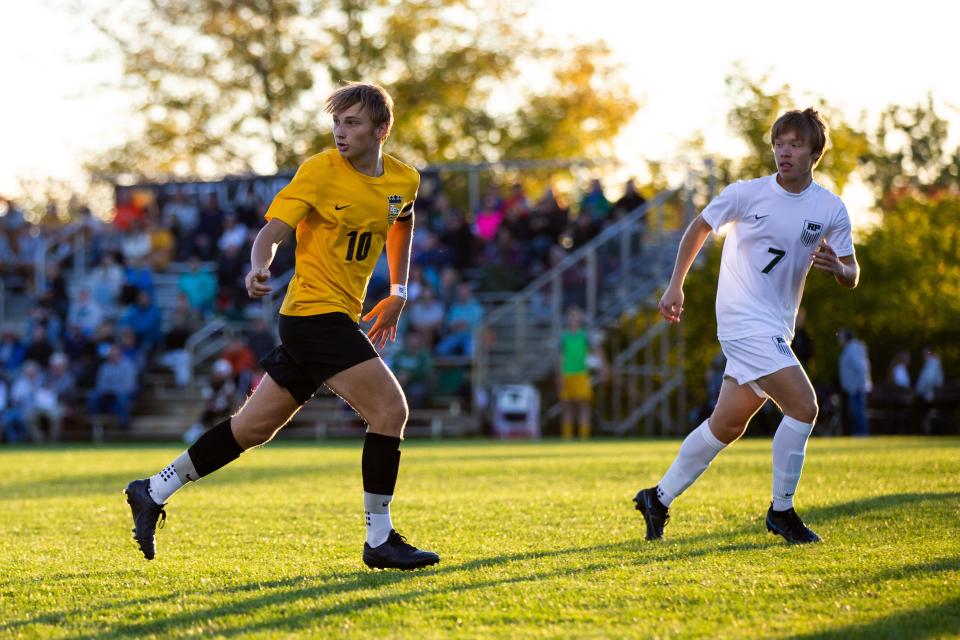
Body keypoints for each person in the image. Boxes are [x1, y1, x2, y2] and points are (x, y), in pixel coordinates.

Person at [123, 82, 439, 570]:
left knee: (250, 429)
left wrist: (398, 292)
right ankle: (379, 540)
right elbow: (272, 232)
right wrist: (258, 264)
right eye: (336, 121)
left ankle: (153, 489)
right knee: (390, 411)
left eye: (351, 122)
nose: (340, 131)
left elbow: (401, 221)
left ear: (382, 129)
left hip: (331, 317)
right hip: (313, 314)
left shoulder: (404, 180)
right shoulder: (318, 171)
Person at [634, 108, 860, 545]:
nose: (784, 151)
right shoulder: (747, 194)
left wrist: (839, 269)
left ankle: (657, 498)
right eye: (779, 143)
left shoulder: (830, 208)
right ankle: (782, 511)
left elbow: (853, 273)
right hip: (743, 322)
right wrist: (675, 286)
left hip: (777, 328)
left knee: (727, 425)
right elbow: (699, 227)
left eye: (794, 144)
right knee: (804, 406)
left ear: (815, 152)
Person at [557, 306, 607, 440]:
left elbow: (597, 351)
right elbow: (561, 358)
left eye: (575, 315)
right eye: (570, 315)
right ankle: (567, 437)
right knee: (567, 406)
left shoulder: (585, 336)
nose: (573, 318)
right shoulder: (564, 337)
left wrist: (603, 368)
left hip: (581, 374)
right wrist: (560, 376)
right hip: (567, 374)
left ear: (580, 318)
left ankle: (583, 437)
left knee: (583, 406)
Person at [837, 329, 872, 436]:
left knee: (858, 413)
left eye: (840, 337)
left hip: (857, 389)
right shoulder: (851, 349)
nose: (839, 340)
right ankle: (860, 434)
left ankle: (862, 434)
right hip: (855, 388)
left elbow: (861, 368)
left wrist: (860, 385)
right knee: (855, 412)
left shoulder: (852, 349)